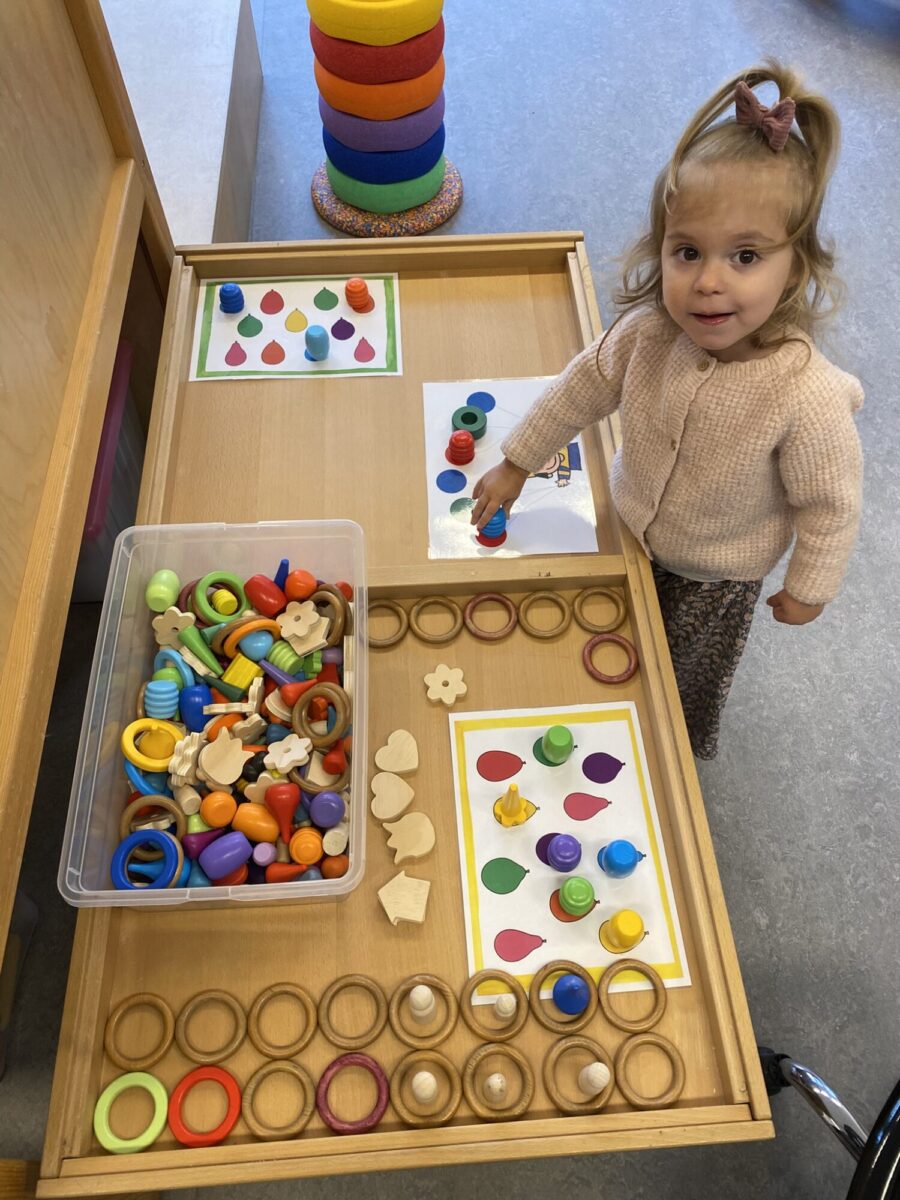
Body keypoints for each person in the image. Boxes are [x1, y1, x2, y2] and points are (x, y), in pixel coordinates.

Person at [471, 62, 864, 759]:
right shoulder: (647, 334)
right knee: (605, 639)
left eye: (746, 256)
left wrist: (810, 585)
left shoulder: (806, 394)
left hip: (716, 577)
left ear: (797, 268)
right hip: (628, 527)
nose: (708, 281)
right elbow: (578, 389)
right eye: (688, 252)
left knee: (679, 680)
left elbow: (830, 504)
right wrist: (516, 463)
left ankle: (669, 750)